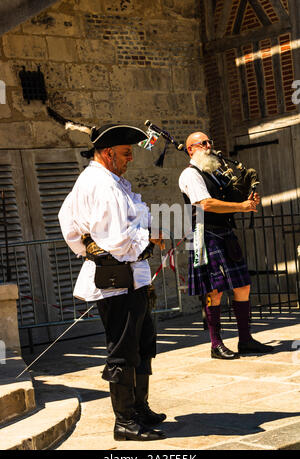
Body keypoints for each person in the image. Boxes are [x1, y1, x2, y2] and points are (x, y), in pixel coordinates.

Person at [58, 123, 166, 441]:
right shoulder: (99, 183)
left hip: (133, 276)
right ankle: (125, 422)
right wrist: (148, 238)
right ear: (107, 153)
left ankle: (139, 408)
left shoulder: (112, 180)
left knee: (143, 344)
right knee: (122, 350)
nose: (130, 158)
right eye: (126, 153)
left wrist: (90, 245)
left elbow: (69, 219)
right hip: (117, 279)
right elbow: (117, 239)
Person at [179, 131, 274, 360]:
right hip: (203, 234)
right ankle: (216, 343)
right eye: (203, 143)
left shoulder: (215, 173)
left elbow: (232, 197)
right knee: (214, 290)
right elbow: (206, 204)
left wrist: (247, 199)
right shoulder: (190, 175)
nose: (209, 146)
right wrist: (241, 207)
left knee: (242, 286)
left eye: (210, 141)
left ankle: (245, 339)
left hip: (224, 233)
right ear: (191, 149)